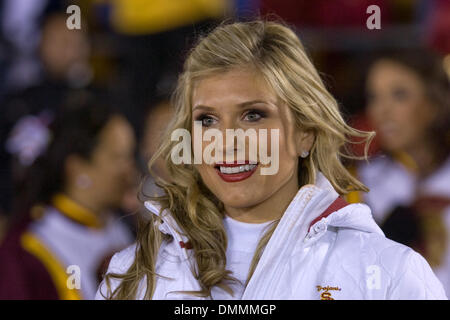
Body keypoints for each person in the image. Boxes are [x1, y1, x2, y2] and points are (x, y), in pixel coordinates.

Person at [96, 20, 446, 300]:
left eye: (253, 115)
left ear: (305, 132)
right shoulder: (132, 274)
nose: (227, 142)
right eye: (207, 120)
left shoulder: (390, 274)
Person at [0, 91, 135, 299]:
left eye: (130, 156)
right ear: (77, 168)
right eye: (118, 158)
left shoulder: (122, 224)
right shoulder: (28, 249)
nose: (130, 171)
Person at [349, 49, 450, 294]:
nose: (382, 111)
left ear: (435, 103)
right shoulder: (361, 186)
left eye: (399, 95)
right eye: (374, 97)